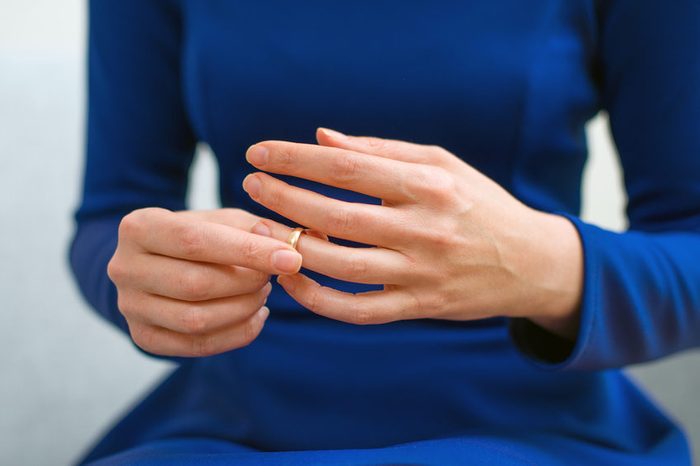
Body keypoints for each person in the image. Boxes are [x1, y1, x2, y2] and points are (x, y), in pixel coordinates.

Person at [68, 1, 700, 464]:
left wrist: (548, 266)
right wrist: (158, 284)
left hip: (534, 422)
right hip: (232, 421)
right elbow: (114, 215)